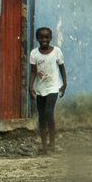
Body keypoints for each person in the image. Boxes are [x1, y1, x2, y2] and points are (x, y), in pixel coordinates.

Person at [28, 26, 67, 156]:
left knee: (49, 112)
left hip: (53, 87)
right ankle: (44, 145)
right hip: (40, 89)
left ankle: (53, 143)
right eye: (41, 37)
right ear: (37, 38)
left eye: (46, 37)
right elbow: (33, 71)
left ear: (50, 38)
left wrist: (64, 84)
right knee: (41, 116)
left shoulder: (57, 51)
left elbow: (62, 68)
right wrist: (31, 86)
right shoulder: (34, 53)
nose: (44, 39)